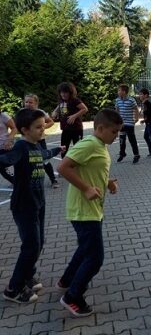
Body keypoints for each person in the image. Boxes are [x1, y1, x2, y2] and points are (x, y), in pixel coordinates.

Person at [57, 109, 123, 317]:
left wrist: (107, 182)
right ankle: (72, 297)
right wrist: (86, 188)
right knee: (95, 258)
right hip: (84, 211)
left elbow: (91, 169)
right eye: (114, 131)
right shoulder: (90, 144)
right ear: (100, 128)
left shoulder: (100, 145)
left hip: (92, 210)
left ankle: (67, 280)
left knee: (85, 249)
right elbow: (63, 167)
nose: (116, 136)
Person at [0, 108, 63, 303]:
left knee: (38, 243)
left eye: (43, 126)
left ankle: (27, 275)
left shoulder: (35, 146)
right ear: (25, 130)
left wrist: (58, 150)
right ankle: (13, 288)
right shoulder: (21, 147)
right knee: (31, 246)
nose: (43, 129)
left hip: (38, 203)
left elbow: (44, 154)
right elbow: (5, 160)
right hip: (24, 205)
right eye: (38, 127)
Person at [24, 94, 59, 187]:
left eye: (30, 102)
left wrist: (41, 128)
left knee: (44, 160)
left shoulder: (40, 112)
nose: (28, 104)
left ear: (36, 103)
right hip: (27, 141)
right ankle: (27, 182)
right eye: (26, 102)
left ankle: (53, 180)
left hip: (40, 140)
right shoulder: (22, 113)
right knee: (28, 161)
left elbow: (51, 122)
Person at [52, 82, 88, 156]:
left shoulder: (75, 100)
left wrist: (74, 116)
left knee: (78, 149)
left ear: (70, 92)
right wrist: (55, 112)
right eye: (61, 92)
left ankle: (78, 162)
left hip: (76, 129)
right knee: (63, 149)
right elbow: (58, 108)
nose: (63, 94)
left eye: (65, 92)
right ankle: (64, 161)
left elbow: (85, 109)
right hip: (65, 129)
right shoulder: (62, 101)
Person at [115, 84, 140, 164]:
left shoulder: (131, 100)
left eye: (119, 90)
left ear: (124, 92)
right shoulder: (117, 100)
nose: (118, 92)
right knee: (122, 140)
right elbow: (117, 110)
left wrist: (136, 118)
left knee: (132, 140)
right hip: (122, 124)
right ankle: (122, 153)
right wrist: (117, 121)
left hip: (129, 123)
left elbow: (136, 109)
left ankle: (136, 155)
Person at [0, 106, 17, 184]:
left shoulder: (3, 116)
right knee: (2, 169)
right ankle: (16, 182)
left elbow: (14, 128)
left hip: (4, 146)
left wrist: (9, 140)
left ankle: (17, 182)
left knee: (7, 166)